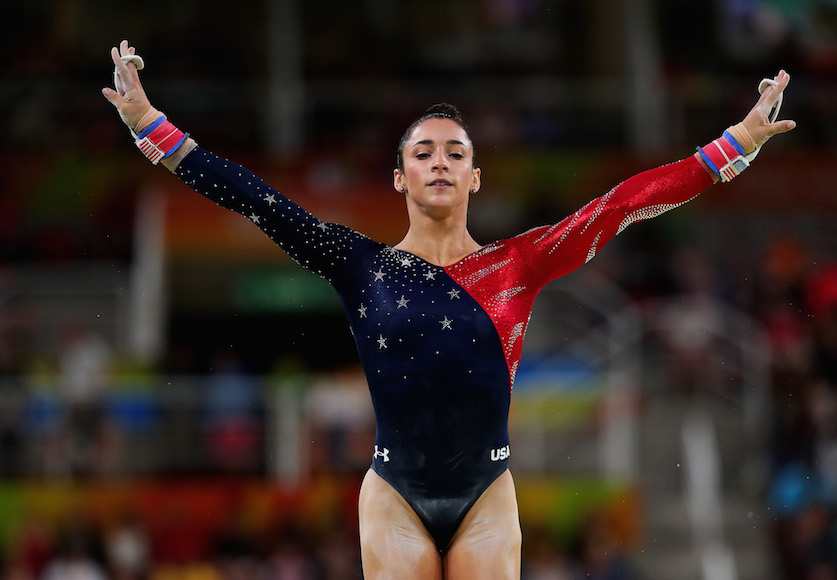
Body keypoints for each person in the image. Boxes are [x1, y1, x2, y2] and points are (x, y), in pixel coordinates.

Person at [102, 39, 795, 579]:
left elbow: (622, 205)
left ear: (475, 176)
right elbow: (255, 199)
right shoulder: (357, 263)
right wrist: (149, 127)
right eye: (424, 152)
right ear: (399, 176)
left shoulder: (519, 263)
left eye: (455, 153)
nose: (440, 162)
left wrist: (736, 145)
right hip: (394, 490)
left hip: (486, 492)